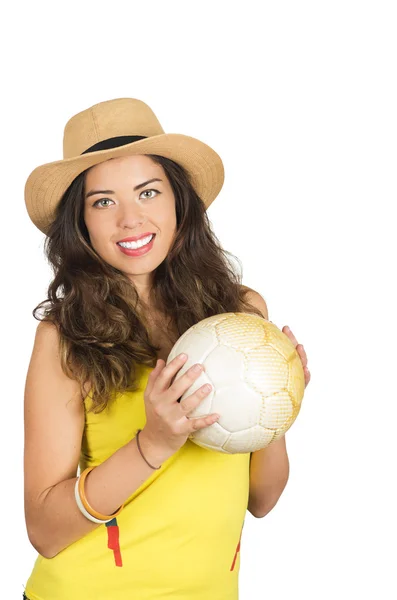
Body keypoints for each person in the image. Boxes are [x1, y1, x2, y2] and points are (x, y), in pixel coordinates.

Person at [22, 98, 272, 600]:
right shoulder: (63, 337)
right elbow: (45, 533)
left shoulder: (240, 315)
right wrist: (152, 444)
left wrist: (276, 401)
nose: (130, 220)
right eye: (104, 202)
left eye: (148, 192)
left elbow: (262, 500)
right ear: (82, 223)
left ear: (178, 201)